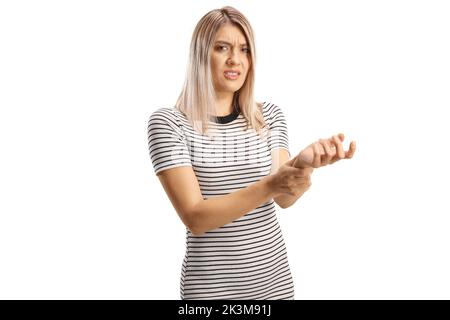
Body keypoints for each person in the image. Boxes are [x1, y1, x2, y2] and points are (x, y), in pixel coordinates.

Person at [147, 6, 356, 300]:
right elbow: (195, 217)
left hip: (276, 287)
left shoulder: (269, 116)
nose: (235, 59)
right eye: (222, 48)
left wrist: (304, 166)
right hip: (211, 294)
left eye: (244, 50)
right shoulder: (170, 124)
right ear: (200, 55)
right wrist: (272, 184)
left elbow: (284, 198)